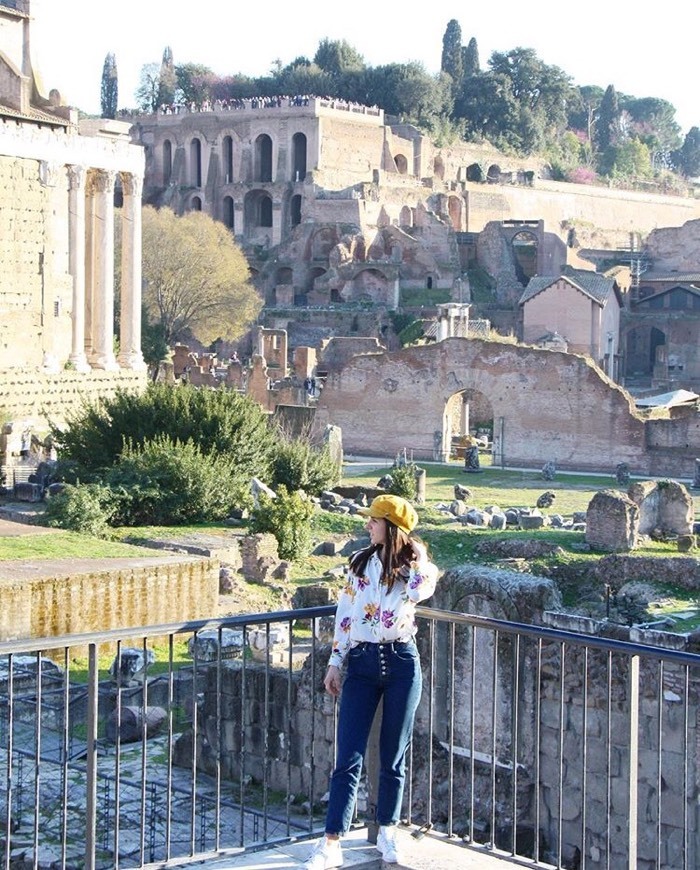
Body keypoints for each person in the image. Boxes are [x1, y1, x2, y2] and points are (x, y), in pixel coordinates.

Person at [304, 495, 439, 869]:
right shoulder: (360, 563)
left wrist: (416, 555)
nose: (368, 525)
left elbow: (419, 590)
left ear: (391, 526)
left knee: (394, 757)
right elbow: (345, 616)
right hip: (361, 664)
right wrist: (335, 663)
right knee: (348, 757)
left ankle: (387, 833)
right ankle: (331, 843)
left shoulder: (415, 568)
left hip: (401, 663)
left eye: (374, 520)